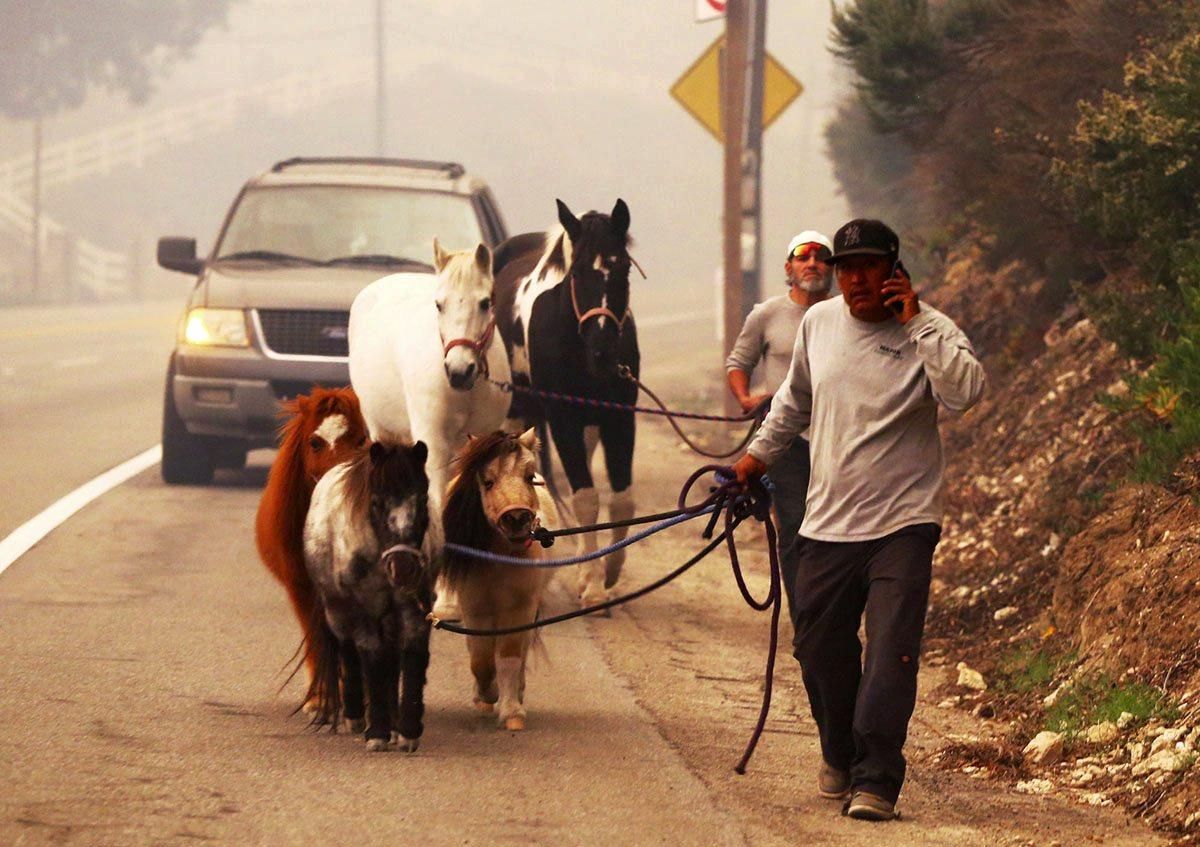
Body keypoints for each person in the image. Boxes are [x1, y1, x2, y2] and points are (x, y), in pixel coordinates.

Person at [731, 219, 985, 821]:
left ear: (895, 271)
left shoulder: (932, 330)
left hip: (904, 523)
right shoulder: (818, 324)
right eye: (846, 269)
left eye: (868, 267)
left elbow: (966, 392)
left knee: (892, 650)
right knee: (817, 649)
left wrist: (918, 323)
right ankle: (839, 750)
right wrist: (755, 457)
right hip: (827, 523)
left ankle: (876, 777)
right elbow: (793, 401)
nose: (854, 280)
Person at [725, 230, 835, 620]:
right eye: (803, 256)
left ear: (832, 268)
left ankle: (832, 609)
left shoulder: (844, 316)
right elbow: (738, 362)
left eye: (821, 256)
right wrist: (745, 398)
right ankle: (803, 614)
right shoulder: (766, 314)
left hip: (837, 441)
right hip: (784, 440)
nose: (812, 262)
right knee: (794, 523)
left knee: (836, 528)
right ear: (789, 268)